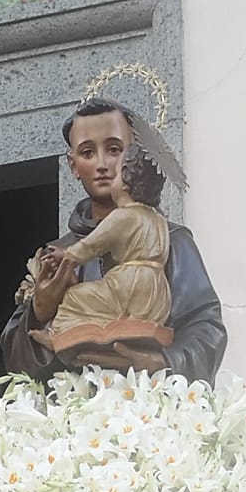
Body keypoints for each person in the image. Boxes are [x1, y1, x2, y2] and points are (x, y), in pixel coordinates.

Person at [0, 97, 227, 381]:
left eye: (114, 149)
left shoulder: (172, 240)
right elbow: (15, 363)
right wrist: (39, 310)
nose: (102, 164)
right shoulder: (56, 252)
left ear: (136, 156)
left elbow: (206, 326)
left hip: (151, 401)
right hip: (77, 402)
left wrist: (161, 362)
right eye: (87, 152)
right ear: (73, 165)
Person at [30, 144, 173, 363]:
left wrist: (67, 255)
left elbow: (93, 244)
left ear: (125, 183)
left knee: (76, 296)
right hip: (157, 292)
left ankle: (58, 337)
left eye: (114, 175)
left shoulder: (123, 216)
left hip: (130, 284)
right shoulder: (158, 219)